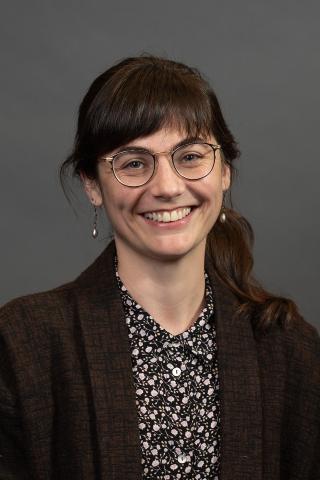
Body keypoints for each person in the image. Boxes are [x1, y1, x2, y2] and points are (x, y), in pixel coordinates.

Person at [0, 56, 319, 480]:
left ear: (225, 172)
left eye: (189, 156)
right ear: (92, 184)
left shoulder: (291, 350)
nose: (167, 187)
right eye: (134, 163)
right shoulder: (22, 344)